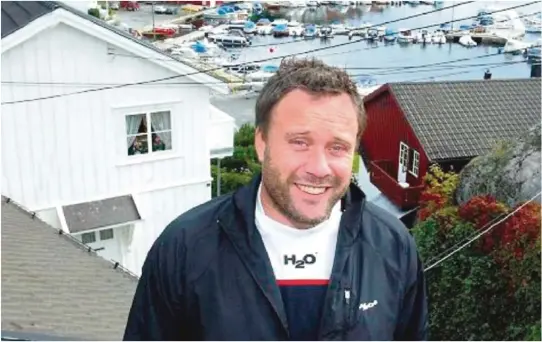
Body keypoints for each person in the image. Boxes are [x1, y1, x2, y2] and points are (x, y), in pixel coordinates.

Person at [123, 57, 428, 341]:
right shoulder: (184, 248)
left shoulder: (393, 247)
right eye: (299, 142)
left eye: (337, 147)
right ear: (261, 143)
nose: (318, 168)